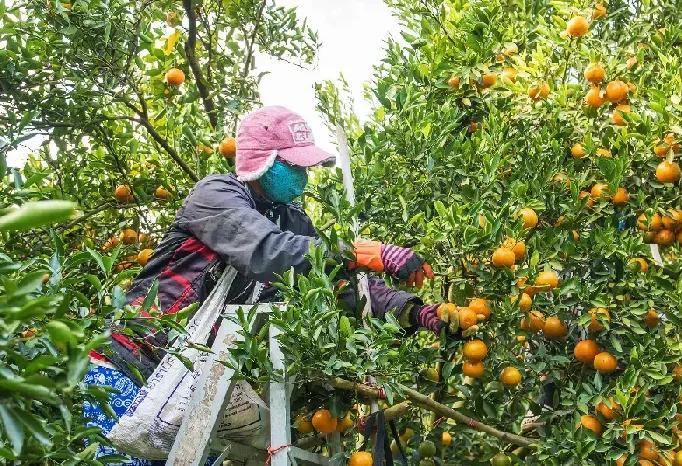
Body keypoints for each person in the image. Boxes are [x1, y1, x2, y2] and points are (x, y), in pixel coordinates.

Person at [83, 106, 452, 465]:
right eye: (291, 164)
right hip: (133, 359)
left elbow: (339, 283)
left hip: (194, 382)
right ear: (262, 159)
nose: (301, 174)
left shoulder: (292, 221)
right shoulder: (216, 194)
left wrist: (415, 310)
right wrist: (361, 251)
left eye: (302, 166)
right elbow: (266, 250)